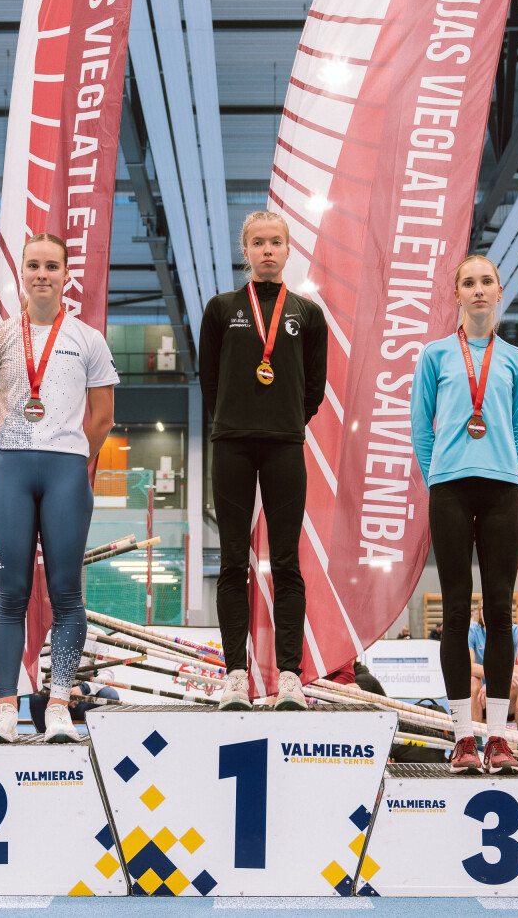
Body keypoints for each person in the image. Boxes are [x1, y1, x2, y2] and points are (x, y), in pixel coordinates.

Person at [0, 233, 118, 744]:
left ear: (66, 274)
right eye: (33, 265)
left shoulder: (88, 339)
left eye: (52, 266)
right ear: (22, 273)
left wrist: (71, 457)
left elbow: (103, 417)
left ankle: (57, 706)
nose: (42, 274)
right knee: (10, 595)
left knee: (66, 594)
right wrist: (7, 459)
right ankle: (5, 708)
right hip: (10, 468)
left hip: (66, 472)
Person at [199, 211, 328, 710]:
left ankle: (290, 677)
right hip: (232, 443)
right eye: (258, 242)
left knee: (287, 562)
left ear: (289, 249)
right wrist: (232, 418)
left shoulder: (307, 315)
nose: (267, 250)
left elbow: (314, 387)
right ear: (245, 250)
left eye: (276, 241)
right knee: (233, 561)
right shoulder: (221, 309)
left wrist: (287, 420)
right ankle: (235, 676)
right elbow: (209, 379)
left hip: (284, 445)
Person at [411, 255, 518, 775]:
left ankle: (498, 738)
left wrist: (504, 467)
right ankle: (463, 737)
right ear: (456, 293)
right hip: (450, 490)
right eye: (468, 282)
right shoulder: (435, 355)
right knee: (457, 612)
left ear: (499, 291)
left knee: (500, 612)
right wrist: (439, 475)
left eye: (486, 281)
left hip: (502, 489)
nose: (478, 289)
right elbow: (421, 428)